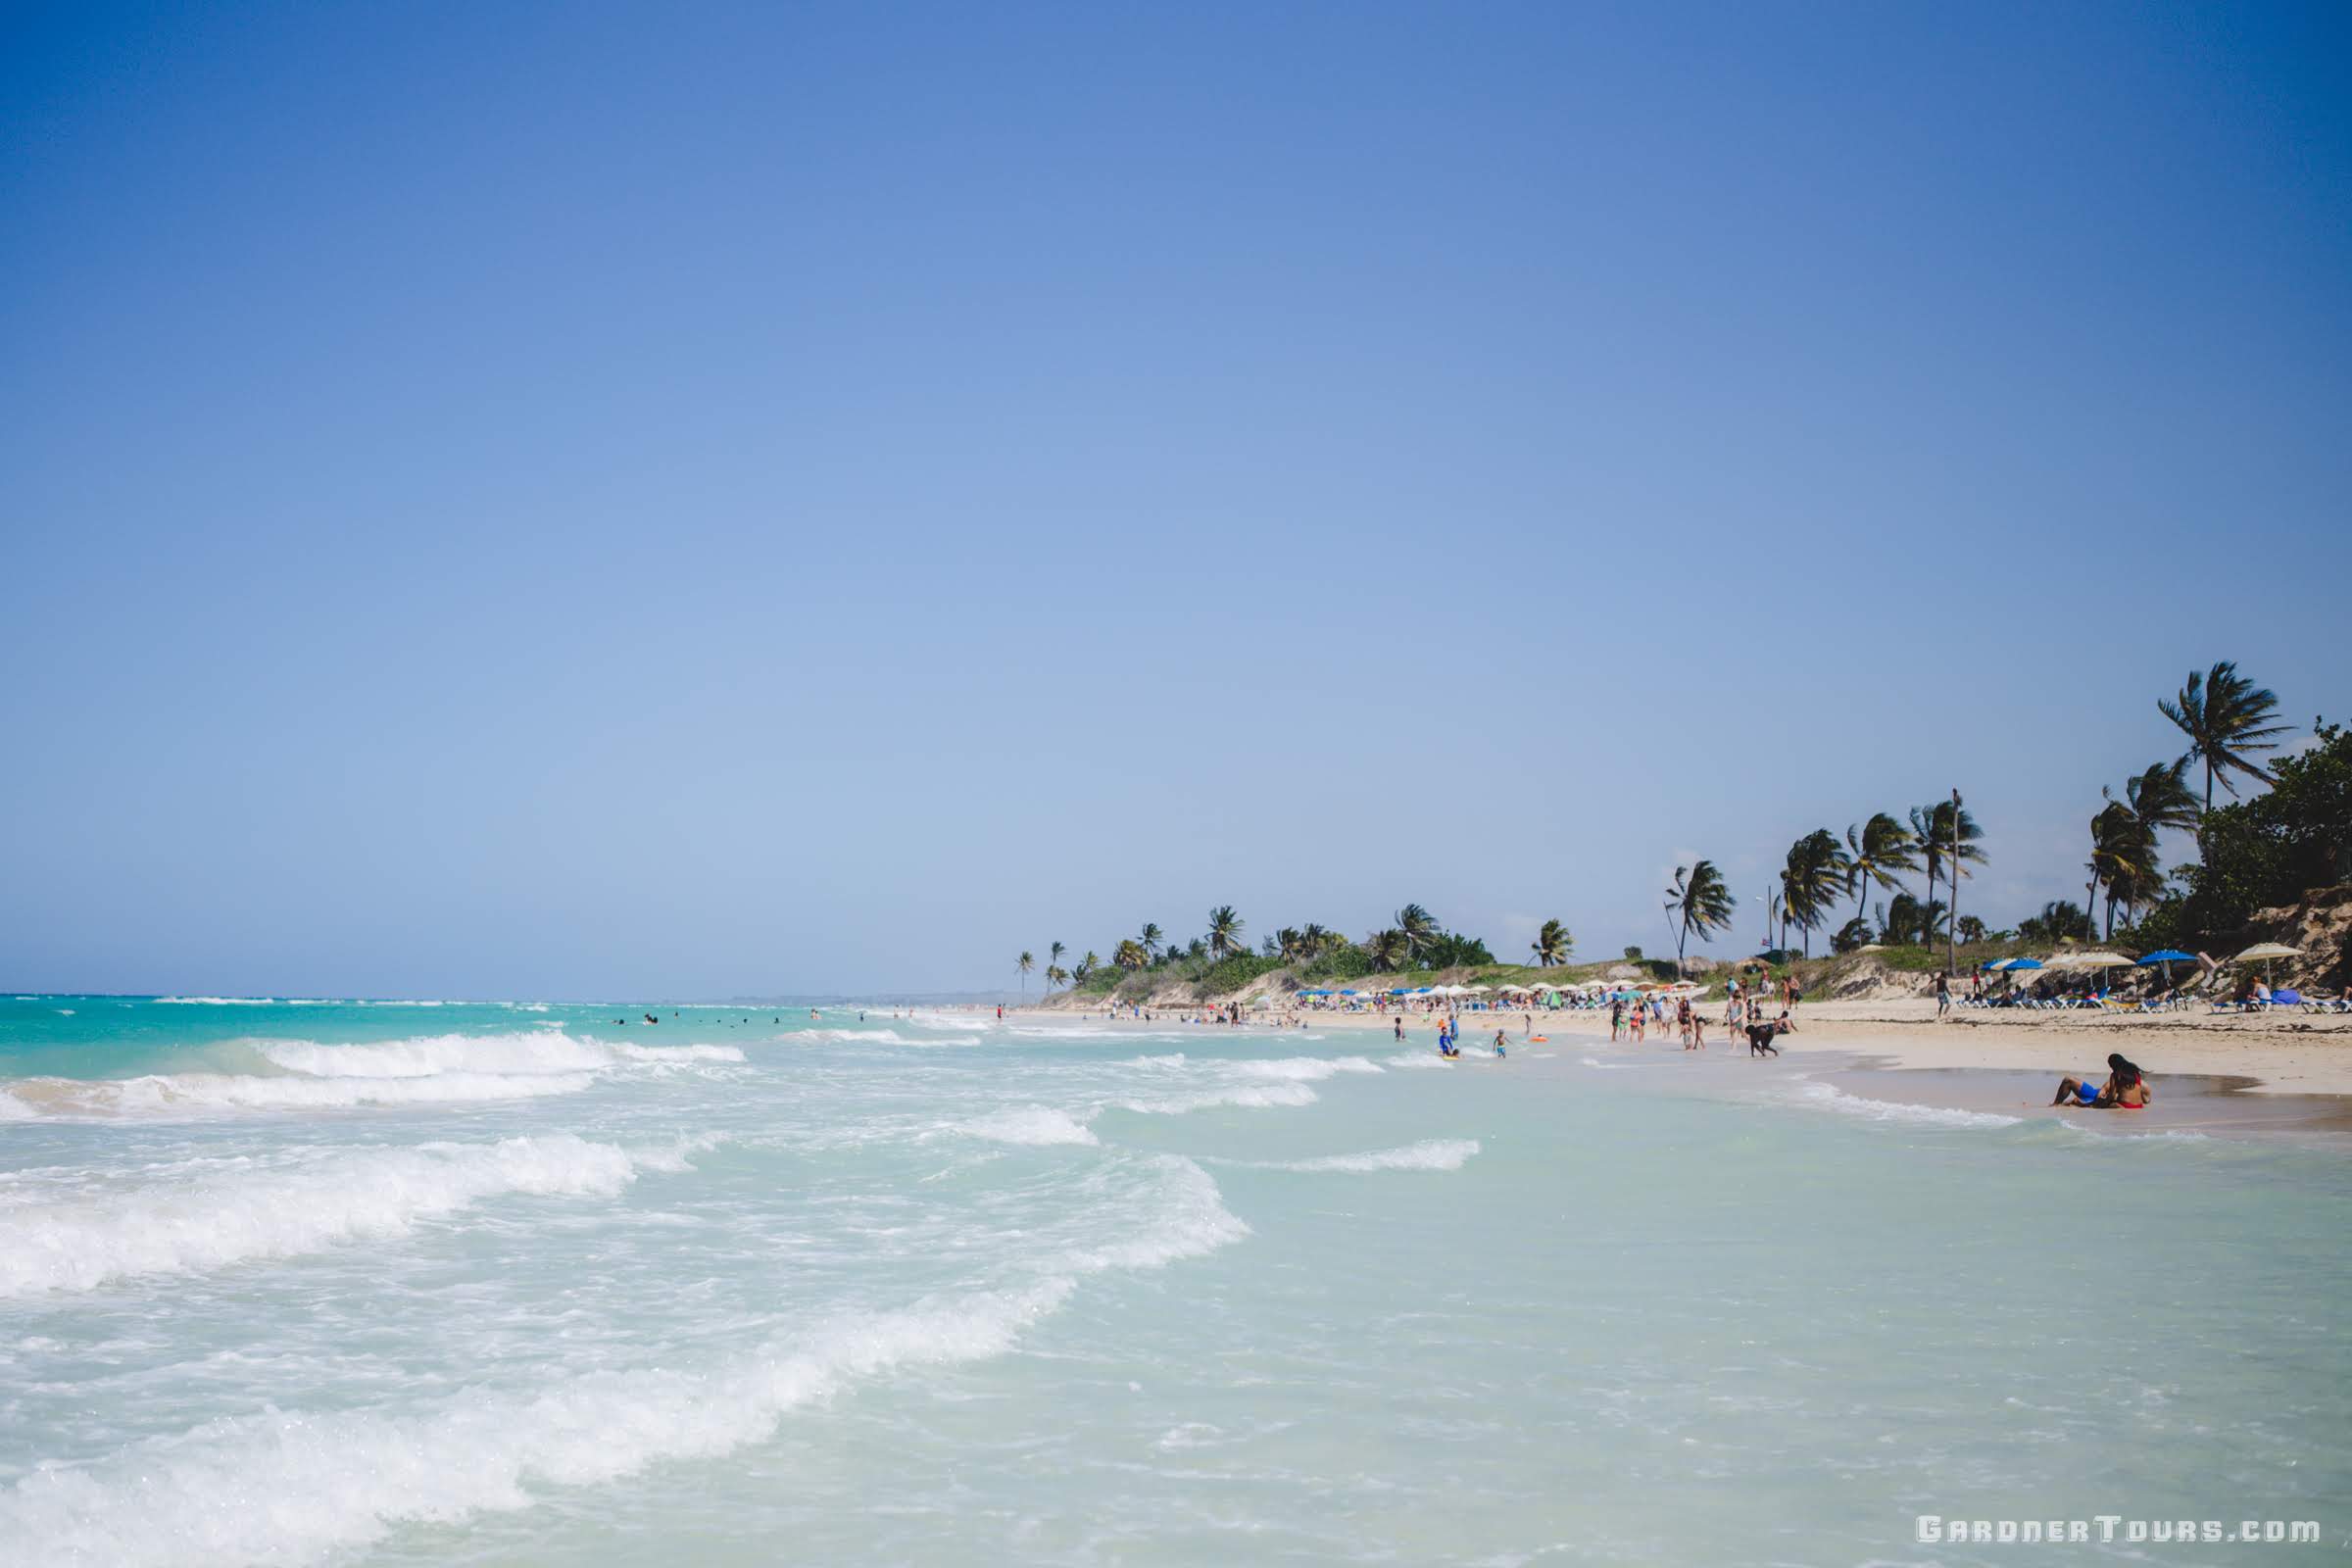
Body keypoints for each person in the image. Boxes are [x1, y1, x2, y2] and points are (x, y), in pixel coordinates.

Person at [2052, 1053, 2152, 1109]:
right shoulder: (2136, 1076)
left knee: (2074, 1098)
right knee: (2075, 1101)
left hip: (2118, 1104)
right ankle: (2062, 1104)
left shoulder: (2116, 1075)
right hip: (2137, 1106)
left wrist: (2097, 1106)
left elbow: (2111, 1096)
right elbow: (2147, 1099)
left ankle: (2055, 1105)